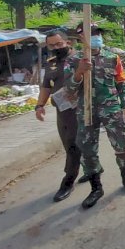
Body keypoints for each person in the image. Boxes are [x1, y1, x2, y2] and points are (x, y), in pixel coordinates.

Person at [66, 23, 125, 209]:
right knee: (87, 149)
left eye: (98, 33)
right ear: (80, 37)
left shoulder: (112, 57)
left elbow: (121, 82)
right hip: (86, 111)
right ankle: (96, 188)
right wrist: (79, 72)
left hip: (111, 108)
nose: (96, 36)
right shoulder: (74, 60)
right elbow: (69, 91)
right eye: (91, 33)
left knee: (122, 143)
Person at [35, 30, 85, 202]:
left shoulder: (81, 59)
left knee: (74, 145)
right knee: (69, 144)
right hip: (62, 112)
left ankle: (68, 181)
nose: (56, 48)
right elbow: (46, 87)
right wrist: (39, 105)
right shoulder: (51, 63)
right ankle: (92, 169)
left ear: (67, 42)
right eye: (51, 45)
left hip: (81, 109)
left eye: (59, 44)